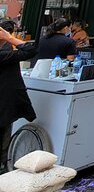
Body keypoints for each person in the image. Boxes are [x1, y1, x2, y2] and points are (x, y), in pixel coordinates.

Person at [0, 20, 37, 174]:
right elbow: (30, 50)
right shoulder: (4, 54)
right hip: (4, 102)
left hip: (6, 101)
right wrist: (10, 38)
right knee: (3, 134)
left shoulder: (6, 51)